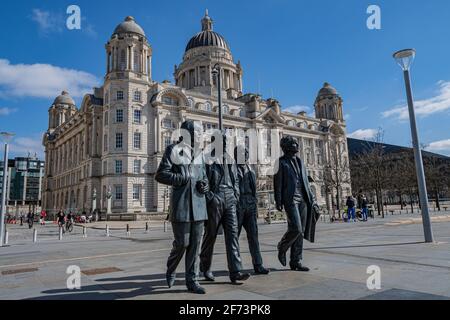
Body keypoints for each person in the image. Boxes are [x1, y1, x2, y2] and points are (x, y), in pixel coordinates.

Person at [155, 120, 209, 295]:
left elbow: (204, 177)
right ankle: (171, 268)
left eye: (201, 133)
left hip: (199, 206)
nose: (200, 136)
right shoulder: (173, 150)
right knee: (182, 243)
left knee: (195, 246)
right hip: (182, 205)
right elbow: (161, 174)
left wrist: (205, 185)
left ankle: (192, 280)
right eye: (198, 133)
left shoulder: (201, 154)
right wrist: (181, 178)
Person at [200, 134, 251, 284]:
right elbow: (202, 179)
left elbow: (235, 180)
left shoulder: (230, 159)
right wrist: (210, 196)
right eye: (220, 142)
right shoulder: (206, 158)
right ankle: (205, 267)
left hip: (230, 199)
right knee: (211, 235)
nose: (223, 144)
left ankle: (235, 271)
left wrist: (235, 195)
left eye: (224, 142)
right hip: (215, 198)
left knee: (233, 235)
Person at [274, 136, 321, 272]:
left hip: (303, 199)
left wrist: (312, 200)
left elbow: (306, 182)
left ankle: (296, 261)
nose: (296, 145)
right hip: (290, 199)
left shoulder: (301, 162)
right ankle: (282, 247)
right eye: (293, 143)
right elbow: (278, 184)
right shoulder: (281, 162)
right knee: (296, 228)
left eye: (296, 142)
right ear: (286, 147)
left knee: (300, 233)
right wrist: (278, 201)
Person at [234, 146, 269, 275]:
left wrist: (254, 203)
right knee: (234, 238)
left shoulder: (252, 170)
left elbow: (254, 189)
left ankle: (258, 264)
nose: (246, 156)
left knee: (254, 237)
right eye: (243, 154)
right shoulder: (232, 169)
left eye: (247, 154)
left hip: (250, 205)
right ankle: (236, 268)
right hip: (238, 204)